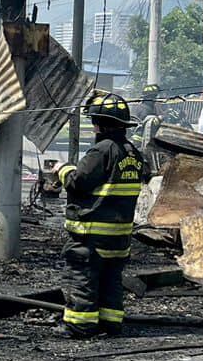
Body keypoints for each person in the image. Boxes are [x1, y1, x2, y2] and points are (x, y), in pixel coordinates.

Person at [55, 92, 144, 339]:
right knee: (110, 281)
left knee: (83, 279)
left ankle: (79, 325)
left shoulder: (101, 150)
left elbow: (78, 183)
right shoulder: (132, 153)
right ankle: (111, 323)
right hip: (119, 237)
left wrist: (63, 170)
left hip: (91, 235)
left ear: (100, 123)